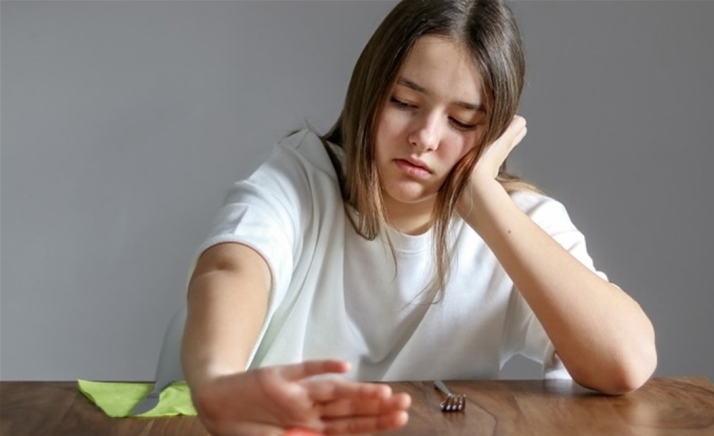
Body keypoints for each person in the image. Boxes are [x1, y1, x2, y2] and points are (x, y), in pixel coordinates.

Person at [181, 0, 657, 435]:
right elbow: (232, 267)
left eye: (463, 121)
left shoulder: (514, 220)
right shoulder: (300, 176)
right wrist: (218, 380)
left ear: (494, 133)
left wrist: (483, 200)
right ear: (369, 91)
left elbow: (626, 361)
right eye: (404, 103)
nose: (425, 137)